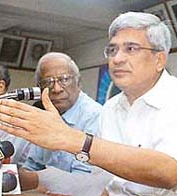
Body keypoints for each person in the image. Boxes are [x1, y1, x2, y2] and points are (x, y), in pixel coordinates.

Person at [0, 11, 177, 195]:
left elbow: (168, 172)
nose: (117, 58)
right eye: (112, 49)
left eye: (131, 49)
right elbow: (109, 182)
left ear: (159, 59)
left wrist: (72, 139)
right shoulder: (112, 107)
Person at [19, 52, 109, 195]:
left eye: (64, 79)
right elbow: (31, 166)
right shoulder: (46, 115)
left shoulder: (96, 117)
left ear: (78, 83)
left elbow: (85, 180)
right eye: (47, 82)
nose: (56, 89)